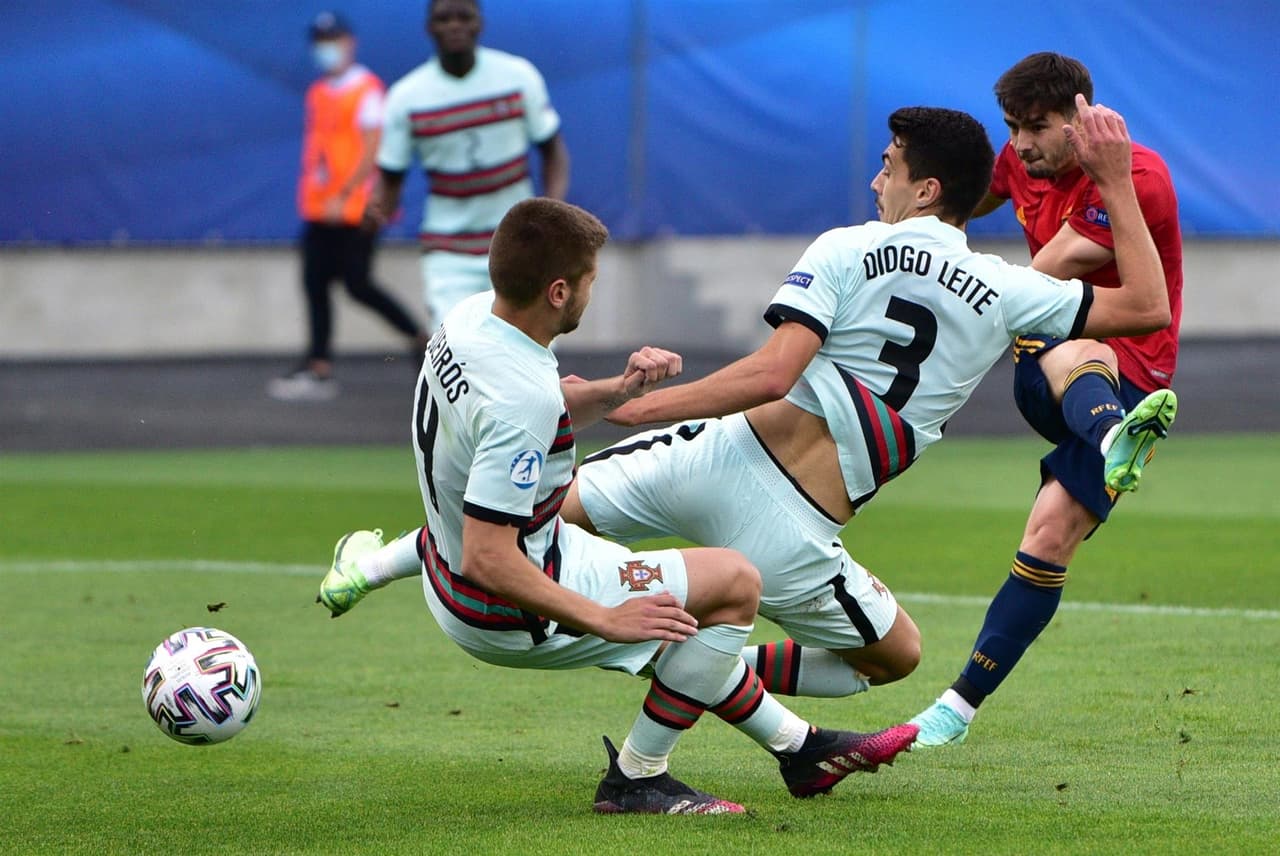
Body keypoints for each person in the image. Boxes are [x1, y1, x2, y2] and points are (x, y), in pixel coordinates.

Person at [320, 101, 1169, 744]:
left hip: (711, 450)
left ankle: (384, 563)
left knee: (544, 506)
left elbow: (771, 373)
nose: (877, 180)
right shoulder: (1006, 286)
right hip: (793, 527)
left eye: (887, 165)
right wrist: (1117, 181)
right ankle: (684, 690)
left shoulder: (845, 247)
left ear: (926, 187)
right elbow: (1146, 304)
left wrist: (635, 404)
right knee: (895, 660)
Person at [320, 197, 918, 815]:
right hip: (503, 602)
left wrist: (620, 392)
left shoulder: (468, 320)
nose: (590, 291)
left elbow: (538, 407)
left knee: (682, 638)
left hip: (460, 567)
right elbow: (488, 555)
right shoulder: (518, 402)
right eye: (588, 280)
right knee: (732, 585)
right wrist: (601, 618)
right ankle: (638, 778)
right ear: (558, 291)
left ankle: (802, 749)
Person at [910, 53, 1183, 747]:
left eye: (1037, 126)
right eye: (1013, 126)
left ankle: (956, 709)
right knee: (1072, 343)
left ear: (1081, 116)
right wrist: (912, 227)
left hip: (1135, 379)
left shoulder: (1136, 177)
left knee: (1046, 540)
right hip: (1056, 371)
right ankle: (1114, 436)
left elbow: (1043, 274)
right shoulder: (1018, 159)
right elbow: (961, 206)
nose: (1022, 143)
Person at [364, 0, 570, 332]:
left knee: (529, 352)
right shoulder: (407, 97)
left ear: (479, 23)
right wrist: (377, 211)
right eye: (444, 18)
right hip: (449, 250)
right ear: (429, 27)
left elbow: (554, 152)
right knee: (456, 349)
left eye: (464, 16)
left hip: (519, 242)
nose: (455, 25)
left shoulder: (518, 77)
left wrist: (554, 208)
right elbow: (391, 178)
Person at [269, 11, 429, 402]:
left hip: (355, 208)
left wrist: (347, 193)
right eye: (321, 42)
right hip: (320, 208)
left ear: (349, 43)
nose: (326, 49)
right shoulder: (319, 92)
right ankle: (318, 366)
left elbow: (375, 146)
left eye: (333, 40)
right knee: (314, 283)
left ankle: (421, 341)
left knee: (358, 284)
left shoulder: (367, 89)